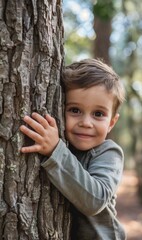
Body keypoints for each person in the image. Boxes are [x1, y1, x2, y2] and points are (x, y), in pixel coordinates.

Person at [20, 58, 126, 240]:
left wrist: (55, 151)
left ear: (111, 122)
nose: (86, 123)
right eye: (75, 110)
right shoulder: (66, 145)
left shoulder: (109, 153)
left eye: (98, 114)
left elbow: (95, 200)